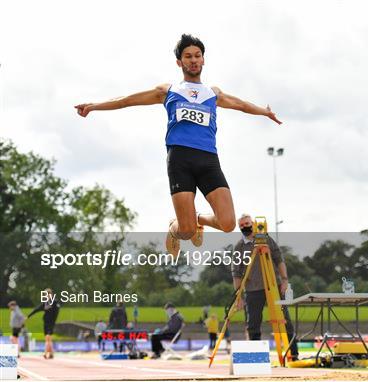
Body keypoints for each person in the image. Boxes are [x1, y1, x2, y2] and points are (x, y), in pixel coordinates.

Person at [74, 34, 282, 255]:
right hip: (180, 160)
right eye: (188, 56)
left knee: (228, 223)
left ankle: (199, 219)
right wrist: (94, 106)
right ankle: (175, 229)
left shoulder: (213, 93)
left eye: (197, 56)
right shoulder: (169, 90)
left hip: (208, 160)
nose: (193, 60)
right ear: (179, 62)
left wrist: (265, 112)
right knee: (186, 231)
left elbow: (240, 104)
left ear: (203, 60)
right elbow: (126, 100)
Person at [231, 214, 298, 360]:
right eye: (241, 225)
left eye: (247, 223)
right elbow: (236, 273)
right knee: (253, 323)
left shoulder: (266, 239)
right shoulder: (239, 246)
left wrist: (285, 280)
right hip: (252, 290)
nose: (245, 227)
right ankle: (255, 357)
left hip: (274, 286)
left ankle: (293, 354)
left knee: (284, 319)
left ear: (253, 223)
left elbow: (279, 259)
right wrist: (239, 296)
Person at [27, 288, 60, 359]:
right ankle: (51, 354)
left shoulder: (55, 302)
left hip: (51, 323)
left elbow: (57, 312)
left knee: (48, 337)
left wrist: (54, 321)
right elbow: (37, 309)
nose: (46, 296)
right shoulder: (45, 303)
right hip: (45, 322)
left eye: (48, 294)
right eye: (45, 295)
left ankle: (45, 353)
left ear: (51, 294)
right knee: (48, 339)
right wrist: (28, 316)